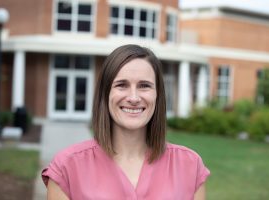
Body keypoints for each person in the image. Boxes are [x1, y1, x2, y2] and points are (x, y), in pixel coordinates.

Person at [42, 44, 210, 200]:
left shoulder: (190, 166)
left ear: (157, 95)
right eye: (122, 85)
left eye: (144, 85)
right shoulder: (67, 168)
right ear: (105, 94)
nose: (134, 98)